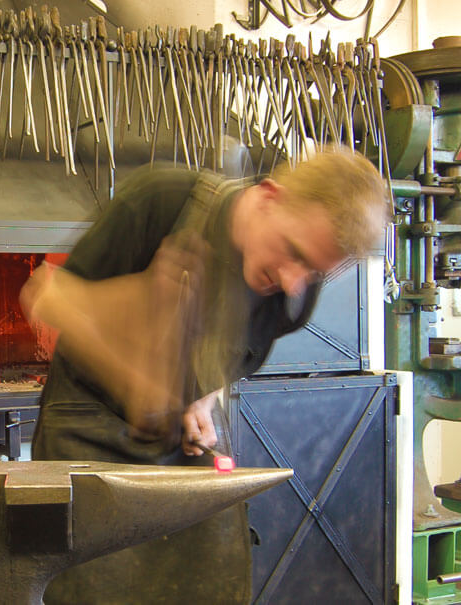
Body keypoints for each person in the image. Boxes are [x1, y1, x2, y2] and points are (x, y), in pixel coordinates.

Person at [20, 148, 389, 604]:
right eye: (293, 252)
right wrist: (134, 369)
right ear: (269, 197)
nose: (295, 281)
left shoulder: (293, 296)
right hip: (87, 438)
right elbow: (47, 295)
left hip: (181, 450)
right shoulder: (163, 201)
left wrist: (202, 399)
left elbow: (227, 361)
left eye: (313, 270)